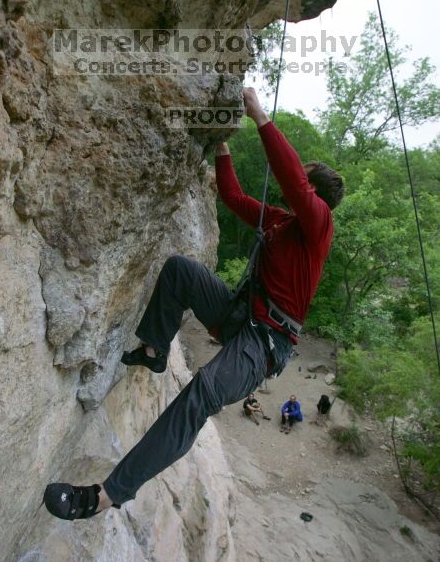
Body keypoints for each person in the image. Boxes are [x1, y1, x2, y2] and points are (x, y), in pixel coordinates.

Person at [43, 87, 344, 520]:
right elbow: (235, 200)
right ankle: (154, 349)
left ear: (314, 192)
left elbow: (293, 181)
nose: (293, 194)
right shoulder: (282, 221)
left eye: (304, 186)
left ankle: (107, 494)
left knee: (202, 392)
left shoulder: (319, 227)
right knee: (181, 269)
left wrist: (260, 116)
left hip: (266, 343)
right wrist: (222, 147)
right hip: (242, 317)